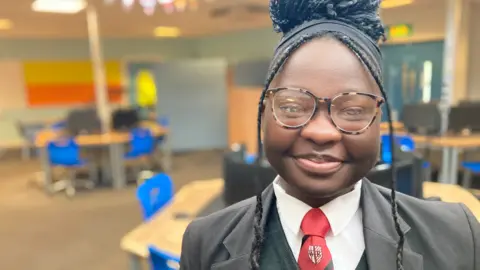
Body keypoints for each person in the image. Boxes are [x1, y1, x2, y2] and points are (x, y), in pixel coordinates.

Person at [179, 0, 480, 269]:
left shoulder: (457, 236)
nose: (321, 133)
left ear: (380, 118)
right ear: (264, 112)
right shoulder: (206, 245)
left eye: (352, 110)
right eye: (292, 106)